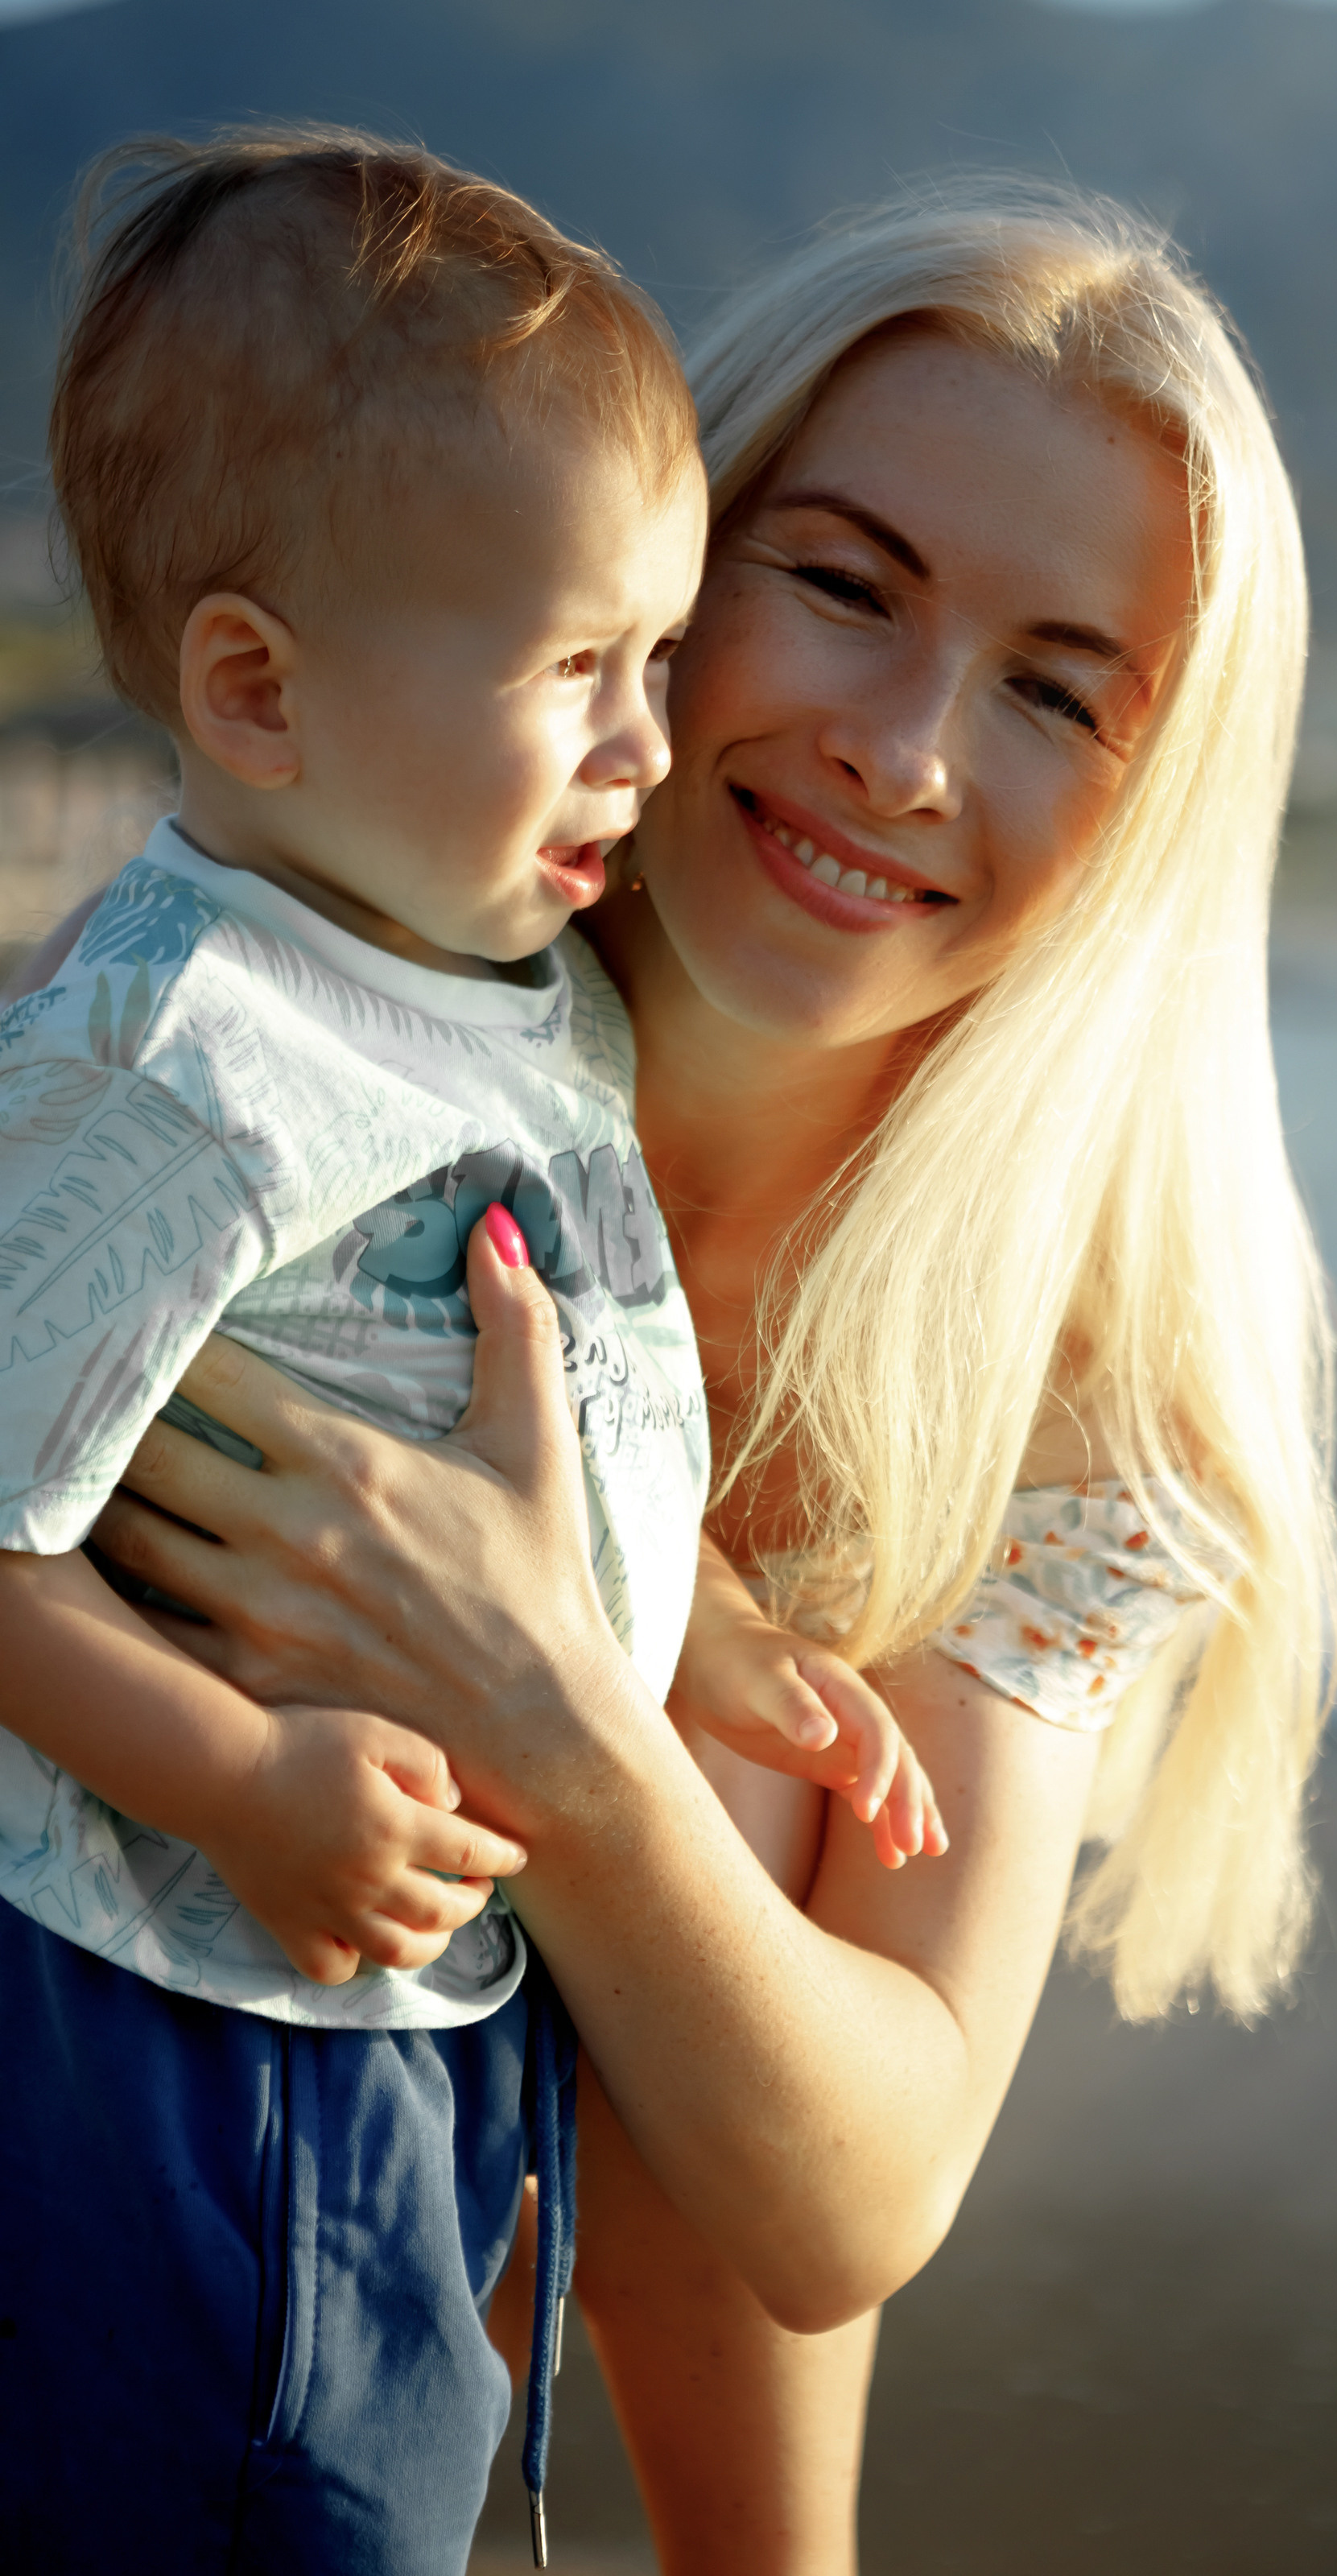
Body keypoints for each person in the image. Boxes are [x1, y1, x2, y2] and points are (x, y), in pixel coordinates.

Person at [17, 181, 1337, 2574]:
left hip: (375, 2332)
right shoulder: (302, 990)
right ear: (653, 548)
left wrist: (577, 1724)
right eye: (839, 583)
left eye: (1057, 691)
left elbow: (851, 2201)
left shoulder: (1056, 1383)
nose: (909, 751)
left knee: (741, 1818)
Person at [0, 130, 939, 2576]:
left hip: (393, 2017)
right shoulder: (186, 1059)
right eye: (573, 673)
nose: (648, 741)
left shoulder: (477, 969)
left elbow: (526, 1360)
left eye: (659, 657)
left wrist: (702, 1636)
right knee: (251, 2500)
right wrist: (232, 1778)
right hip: (179, 2027)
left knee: (380, 2493)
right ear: (253, 687)